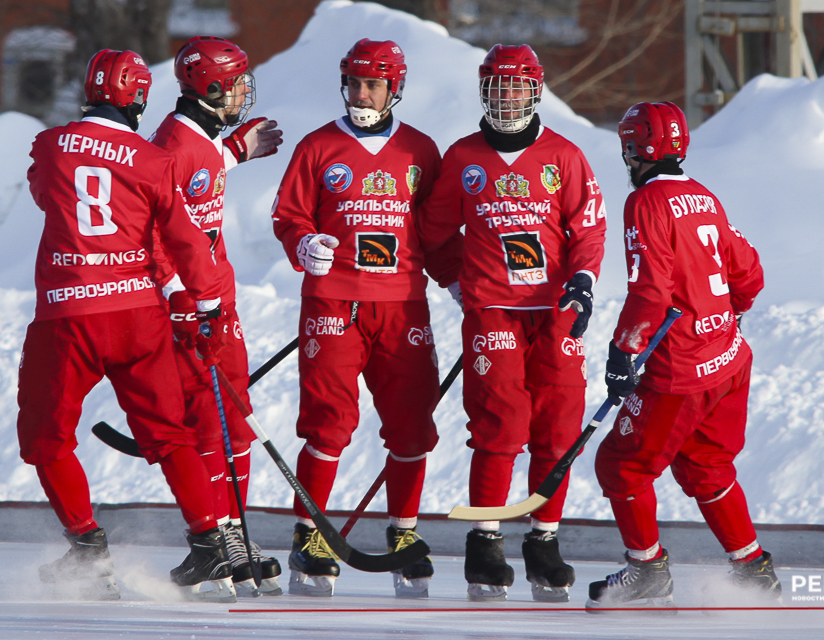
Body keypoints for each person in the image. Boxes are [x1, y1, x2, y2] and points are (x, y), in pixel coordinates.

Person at [19, 49, 235, 602]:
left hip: (69, 315)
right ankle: (210, 544)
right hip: (139, 315)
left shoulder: (51, 145)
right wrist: (207, 306)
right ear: (137, 98)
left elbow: (44, 194)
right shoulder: (153, 159)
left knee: (46, 437)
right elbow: (185, 239)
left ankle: (88, 552)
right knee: (170, 433)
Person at [270, 38, 460, 597]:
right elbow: (288, 215)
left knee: (412, 423)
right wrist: (304, 244)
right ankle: (310, 537)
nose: (361, 94)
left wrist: (458, 281)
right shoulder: (318, 146)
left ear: (394, 87)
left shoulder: (421, 150)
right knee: (328, 421)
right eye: (354, 82)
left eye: (373, 84)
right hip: (333, 303)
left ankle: (404, 533)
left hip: (402, 305)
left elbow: (436, 230)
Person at [418, 44, 606, 603]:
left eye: (517, 88)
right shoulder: (463, 157)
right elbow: (432, 232)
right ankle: (485, 542)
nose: (507, 100)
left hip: (554, 311)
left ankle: (543, 541)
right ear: (484, 92)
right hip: (493, 311)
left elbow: (588, 228)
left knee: (558, 428)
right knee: (500, 425)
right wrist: (456, 283)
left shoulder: (564, 156)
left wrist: (583, 280)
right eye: (498, 89)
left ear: (535, 91)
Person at [588, 101, 778, 609]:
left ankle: (647, 572)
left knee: (621, 466)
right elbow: (749, 273)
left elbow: (650, 292)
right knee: (706, 466)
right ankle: (753, 569)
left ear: (635, 149)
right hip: (729, 361)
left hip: (681, 372)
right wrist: (726, 316)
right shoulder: (703, 196)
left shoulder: (646, 202)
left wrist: (623, 352)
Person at [149, 35, 285, 596]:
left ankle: (235, 532)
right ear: (208, 89)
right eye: (233, 85)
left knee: (236, 414)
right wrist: (182, 300)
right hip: (192, 307)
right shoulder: (171, 145)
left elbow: (201, 174)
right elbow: (153, 230)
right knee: (209, 419)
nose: (241, 93)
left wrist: (233, 152)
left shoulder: (200, 138)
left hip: (220, 298)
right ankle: (215, 539)